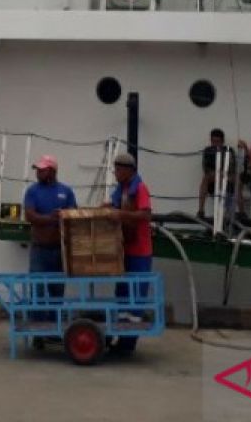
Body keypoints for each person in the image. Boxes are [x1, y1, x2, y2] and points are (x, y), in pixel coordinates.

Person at [109, 151, 153, 353]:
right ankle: (121, 338)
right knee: (122, 293)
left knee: (135, 295)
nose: (116, 173)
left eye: (118, 169)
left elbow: (145, 214)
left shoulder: (140, 188)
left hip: (139, 251)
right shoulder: (122, 189)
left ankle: (128, 343)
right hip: (125, 250)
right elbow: (114, 204)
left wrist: (121, 214)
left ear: (129, 170)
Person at [24, 155, 78, 318]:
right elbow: (30, 216)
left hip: (59, 250)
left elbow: (74, 214)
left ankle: (54, 331)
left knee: (57, 293)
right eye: (37, 170)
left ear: (52, 171)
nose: (38, 173)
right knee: (37, 292)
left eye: (42, 170)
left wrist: (63, 214)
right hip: (39, 250)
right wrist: (51, 218)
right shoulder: (32, 191)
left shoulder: (66, 191)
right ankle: (38, 333)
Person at [197, 128, 247, 219]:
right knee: (205, 178)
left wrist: (224, 174)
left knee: (237, 179)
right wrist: (218, 174)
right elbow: (206, 169)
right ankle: (201, 210)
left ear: (222, 141)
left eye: (218, 141)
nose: (215, 144)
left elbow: (233, 167)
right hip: (213, 180)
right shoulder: (208, 150)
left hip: (228, 178)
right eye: (213, 141)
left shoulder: (229, 150)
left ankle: (241, 212)